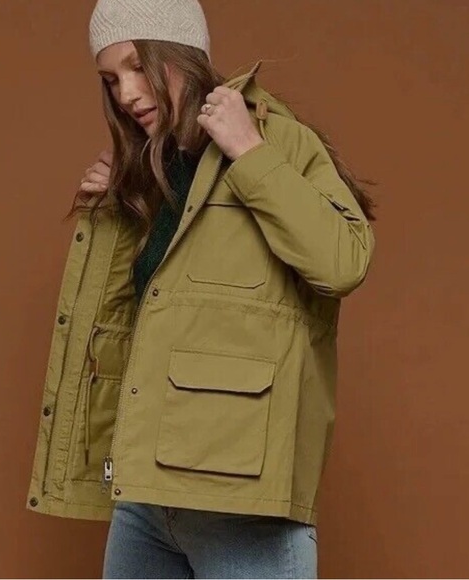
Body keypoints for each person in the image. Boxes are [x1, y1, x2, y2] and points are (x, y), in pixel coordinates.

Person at [26, 0, 376, 578]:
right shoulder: (155, 170)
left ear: (183, 53)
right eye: (110, 79)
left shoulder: (274, 138)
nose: (126, 94)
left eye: (138, 66)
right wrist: (124, 206)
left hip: (240, 499)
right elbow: (156, 318)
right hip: (145, 497)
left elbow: (343, 262)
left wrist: (250, 152)